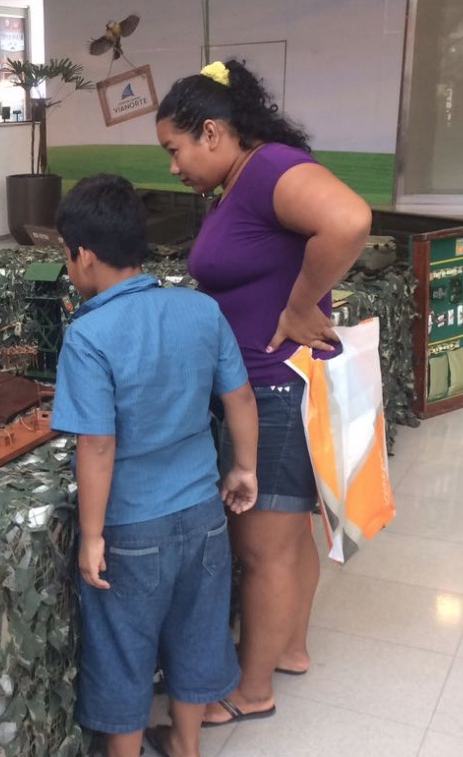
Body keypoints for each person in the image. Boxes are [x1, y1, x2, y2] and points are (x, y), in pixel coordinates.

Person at [155, 59, 372, 728]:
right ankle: (292, 649)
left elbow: (349, 219)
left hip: (274, 390)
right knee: (289, 538)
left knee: (261, 551)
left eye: (174, 149)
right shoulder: (244, 180)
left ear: (213, 131)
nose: (172, 167)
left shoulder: (269, 168)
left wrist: (302, 303)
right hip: (276, 388)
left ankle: (249, 690)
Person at [50, 174, 259, 757]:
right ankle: (187, 744)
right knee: (197, 632)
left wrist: (91, 536)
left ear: (84, 256)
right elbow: (239, 399)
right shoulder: (199, 308)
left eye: (66, 256)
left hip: (131, 525)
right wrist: (244, 469)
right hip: (202, 513)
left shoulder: (89, 335)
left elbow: (96, 445)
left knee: (124, 645)